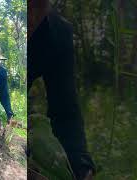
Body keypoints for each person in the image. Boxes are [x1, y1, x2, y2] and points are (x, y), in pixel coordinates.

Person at [29, 1, 96, 179]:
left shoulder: (57, 33)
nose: (31, 17)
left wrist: (80, 164)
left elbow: (65, 109)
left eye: (37, 7)